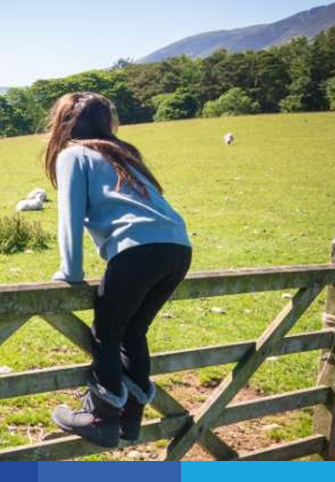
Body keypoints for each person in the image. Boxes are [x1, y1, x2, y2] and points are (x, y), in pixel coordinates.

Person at [44, 92, 193, 448]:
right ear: (105, 121)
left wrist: (70, 272)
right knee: (133, 332)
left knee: (107, 333)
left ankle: (101, 418)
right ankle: (130, 418)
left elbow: (69, 218)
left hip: (138, 249)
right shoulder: (122, 153)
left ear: (63, 123)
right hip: (178, 247)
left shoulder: (73, 154)